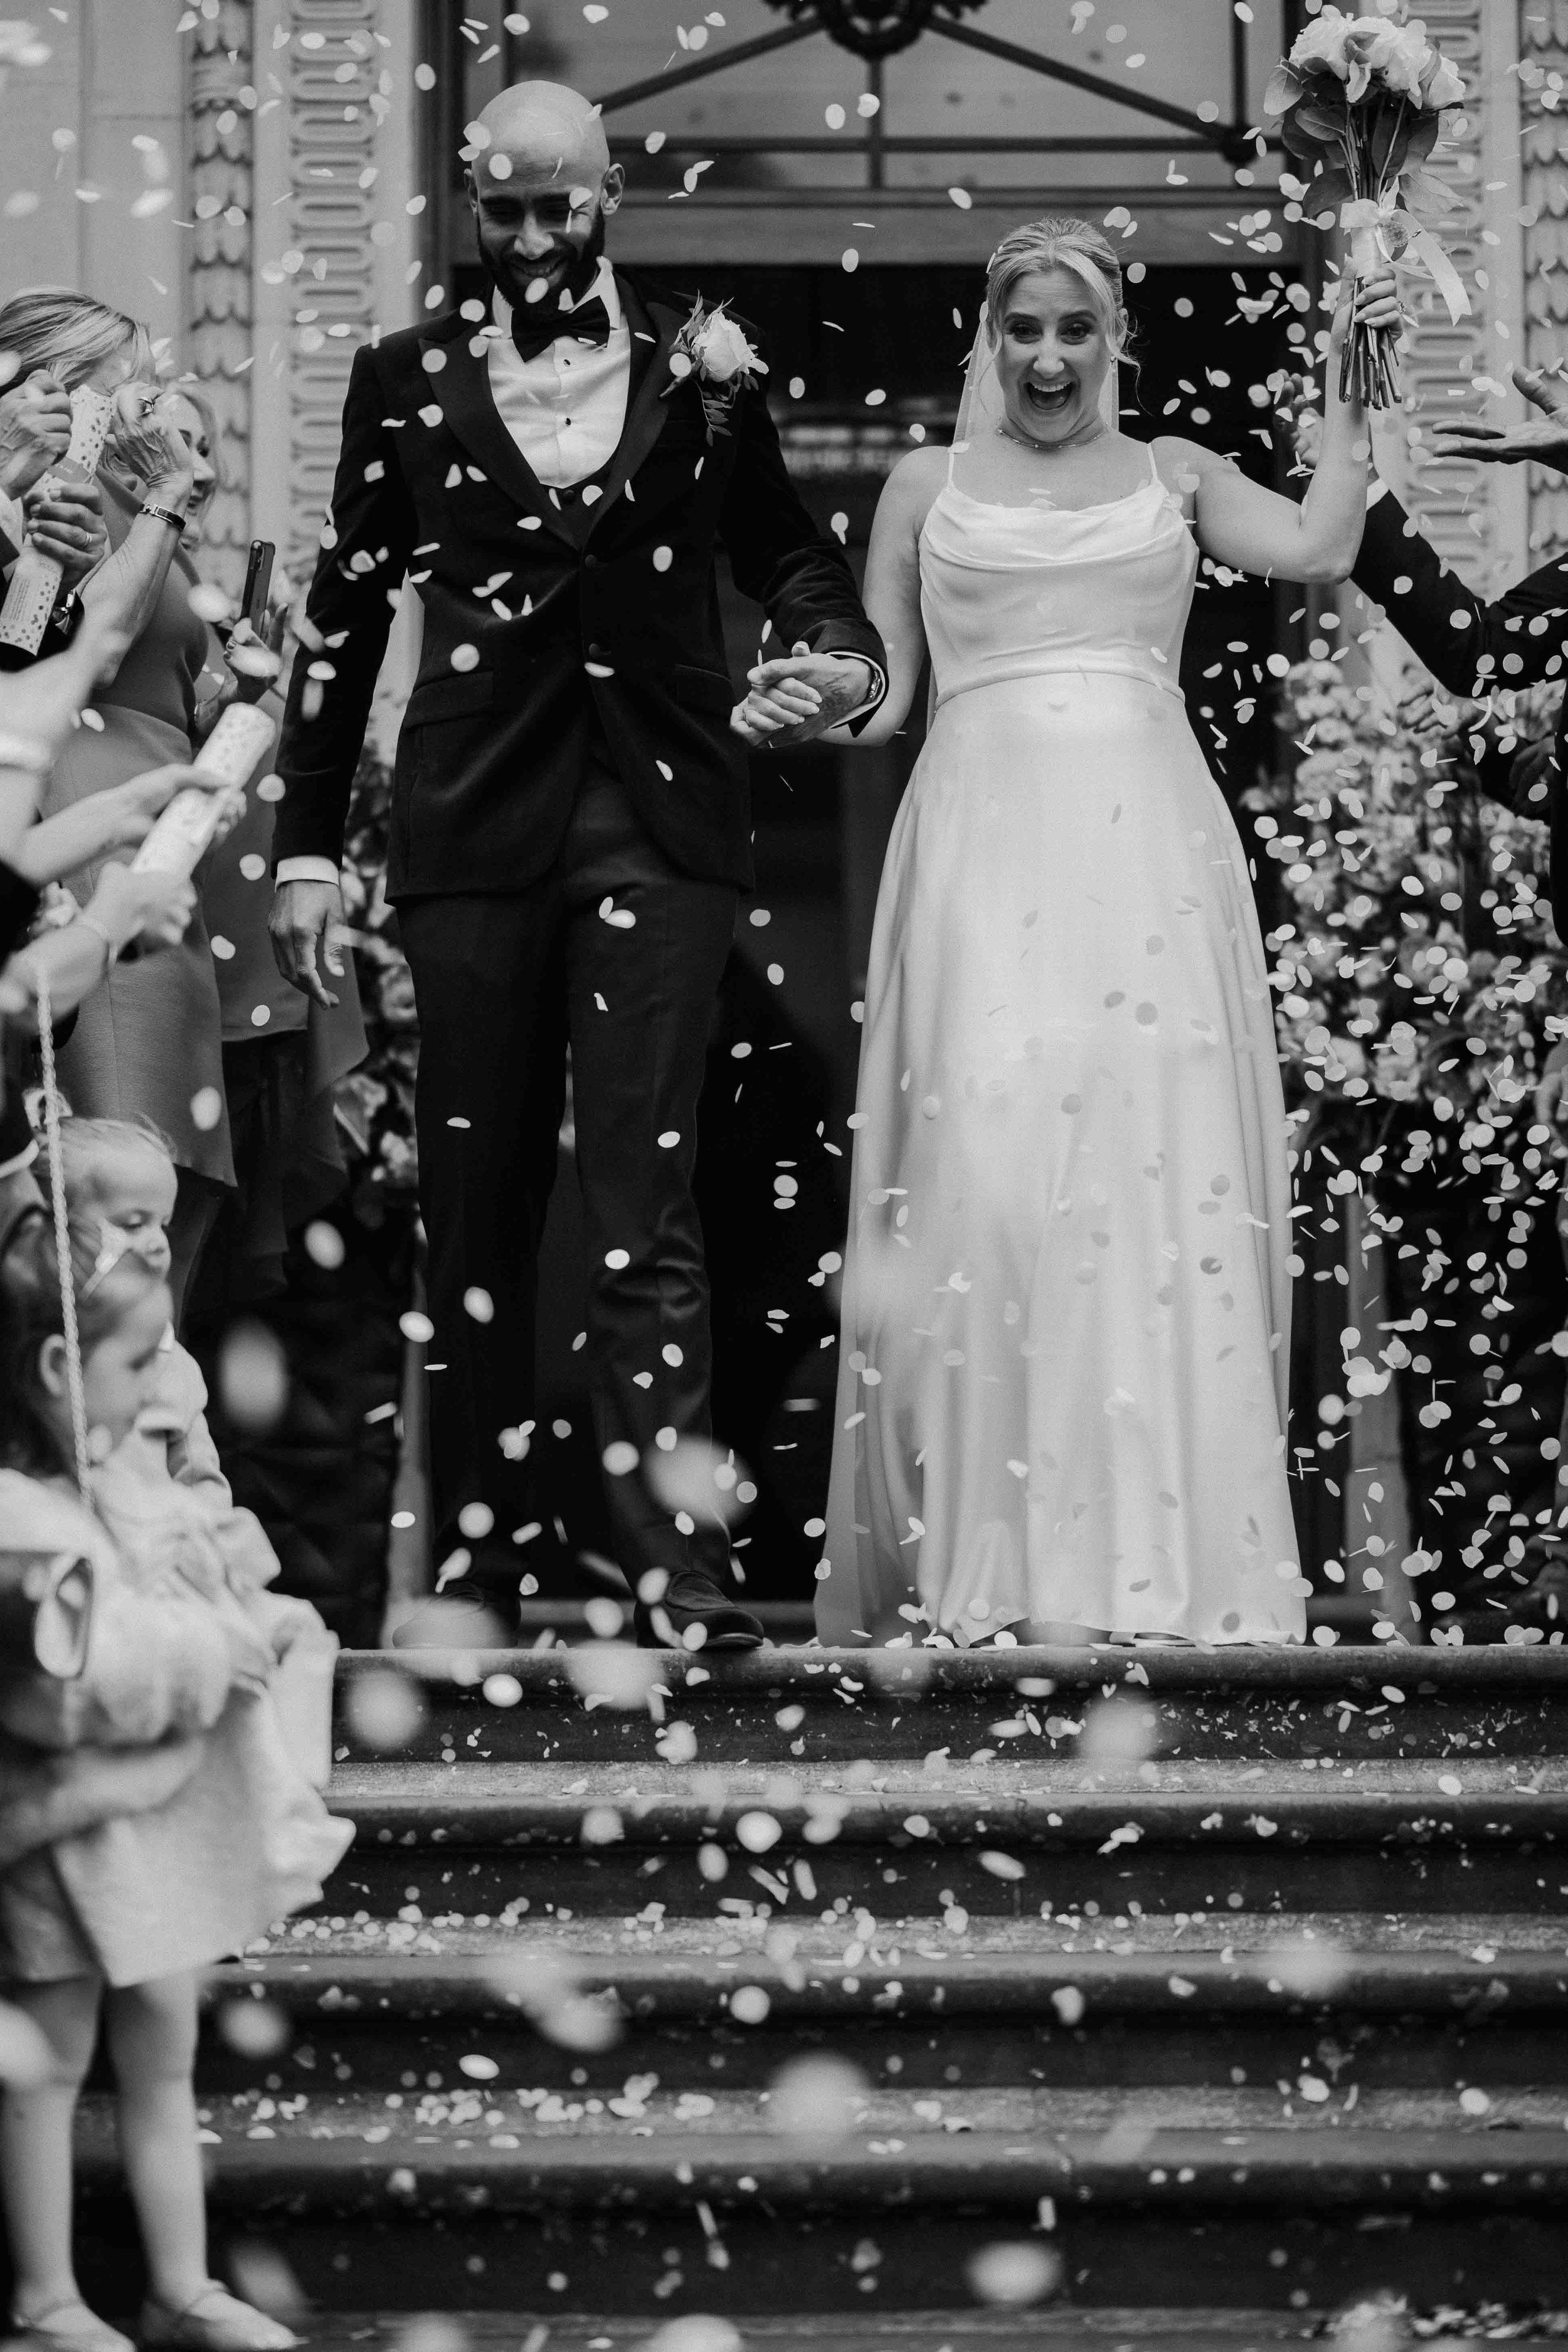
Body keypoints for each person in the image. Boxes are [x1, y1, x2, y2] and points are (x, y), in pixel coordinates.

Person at [268, 78, 887, 1648]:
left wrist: (836, 656)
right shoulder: (400, 376)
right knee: (473, 1205)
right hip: (471, 821)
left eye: (559, 205)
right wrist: (303, 850)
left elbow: (788, 551)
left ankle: (675, 1577)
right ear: (471, 208)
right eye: (505, 208)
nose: (534, 235)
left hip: (659, 819)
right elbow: (345, 615)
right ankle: (476, 1578)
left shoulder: (703, 363)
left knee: (643, 1198)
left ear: (608, 198)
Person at [739, 217, 1396, 1650]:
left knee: (1147, 1174)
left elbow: (1322, 541)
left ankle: (1162, 1561)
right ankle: (994, 1560)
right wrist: (813, 701)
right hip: (977, 856)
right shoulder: (923, 485)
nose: (1048, 357)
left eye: (1076, 330)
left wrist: (1356, 378)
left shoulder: (1177, 476)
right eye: (1025, 328)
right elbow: (881, 696)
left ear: (1114, 340)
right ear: (991, 336)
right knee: (985, 1174)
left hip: (1146, 857)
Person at [0, 1203, 349, 2352]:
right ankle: (46, 2296)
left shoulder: (125, 1478)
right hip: (62, 1837)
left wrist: (243, 1605)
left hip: (152, 1837)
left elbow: (191, 1582)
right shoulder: (21, 1521)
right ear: (61, 1369)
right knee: (46, 2060)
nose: (164, 1383)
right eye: (140, 1359)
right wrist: (211, 1654)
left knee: (167, 2049)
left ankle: (180, 2283)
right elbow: (75, 1682)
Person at [0, 294, 255, 1323]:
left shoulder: (120, 492)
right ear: (46, 384)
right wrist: (162, 508)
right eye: (121, 386)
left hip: (152, 830)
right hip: (76, 825)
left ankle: (145, 1401)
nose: (144, 405)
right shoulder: (57, 493)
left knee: (169, 1183)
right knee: (105, 1179)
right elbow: (65, 652)